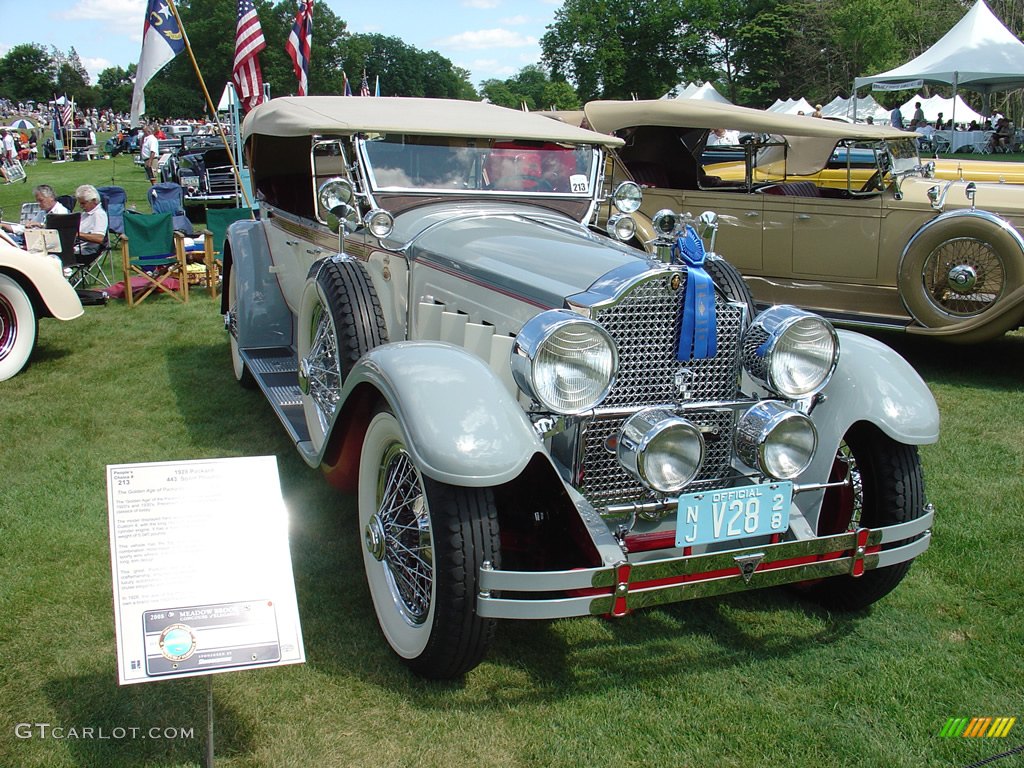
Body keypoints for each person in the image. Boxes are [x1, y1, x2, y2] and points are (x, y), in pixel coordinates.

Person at [0, 184, 69, 247]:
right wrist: (4, 225)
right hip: (32, 240)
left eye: (41, 200)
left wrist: (39, 225)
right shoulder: (43, 212)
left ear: (51, 197)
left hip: (44, 245)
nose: (38, 203)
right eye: (37, 201)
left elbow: (58, 232)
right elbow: (26, 227)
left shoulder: (61, 211)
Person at [74, 184, 108, 257]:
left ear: (94, 201)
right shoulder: (85, 214)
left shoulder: (99, 214)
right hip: (76, 248)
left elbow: (99, 238)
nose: (81, 206)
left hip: (87, 252)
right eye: (80, 203)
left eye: (83, 203)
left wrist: (76, 234)